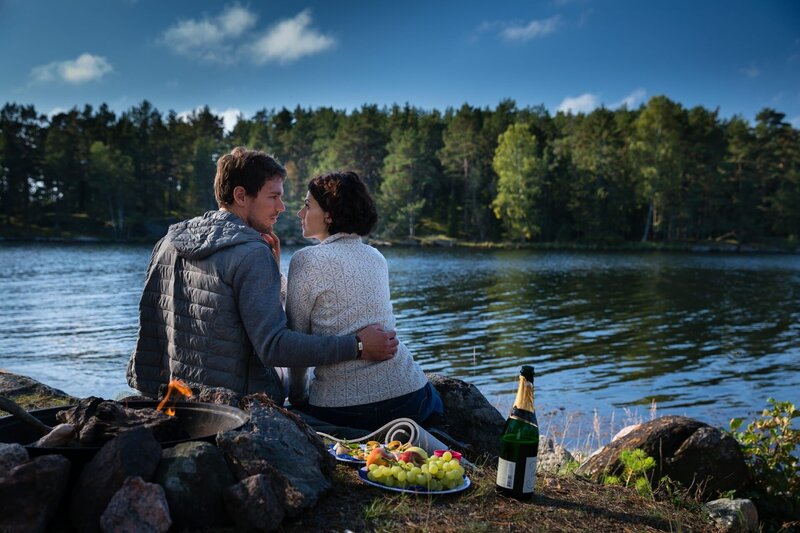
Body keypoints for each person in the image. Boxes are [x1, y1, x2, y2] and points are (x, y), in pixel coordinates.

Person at [126, 148, 398, 402]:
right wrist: (358, 346)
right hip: (231, 403)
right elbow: (275, 348)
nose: (281, 207)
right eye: (273, 196)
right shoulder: (252, 253)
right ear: (241, 196)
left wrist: (272, 273)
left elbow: (150, 328)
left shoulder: (168, 241)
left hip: (172, 396)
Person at [286, 171, 443, 430]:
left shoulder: (305, 260)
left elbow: (297, 345)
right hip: (410, 395)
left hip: (343, 409)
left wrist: (298, 397)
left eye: (307, 205)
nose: (300, 213)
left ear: (329, 214)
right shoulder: (376, 257)